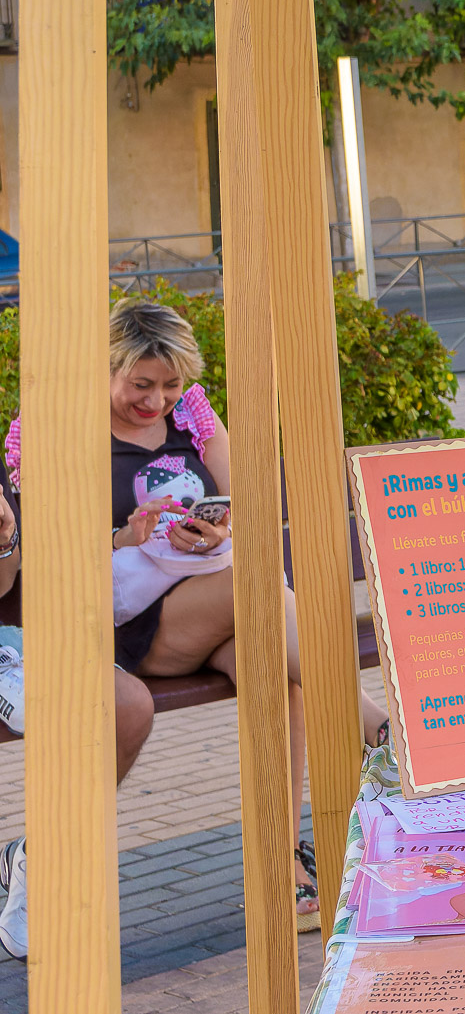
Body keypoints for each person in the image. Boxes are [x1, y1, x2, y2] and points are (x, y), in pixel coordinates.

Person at [4, 298, 389, 934]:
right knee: (256, 587)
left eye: (169, 383)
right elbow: (40, 545)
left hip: (200, 600)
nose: (156, 400)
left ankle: (282, 868)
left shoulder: (192, 415)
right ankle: (374, 728)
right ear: (105, 369)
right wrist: (123, 539)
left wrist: (218, 528)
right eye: (140, 384)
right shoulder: (59, 424)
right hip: (119, 621)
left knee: (280, 671)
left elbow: (247, 499)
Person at [0, 471, 155, 961]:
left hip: (11, 639)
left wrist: (5, 538)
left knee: (129, 707)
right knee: (48, 709)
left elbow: (7, 582)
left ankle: (41, 856)